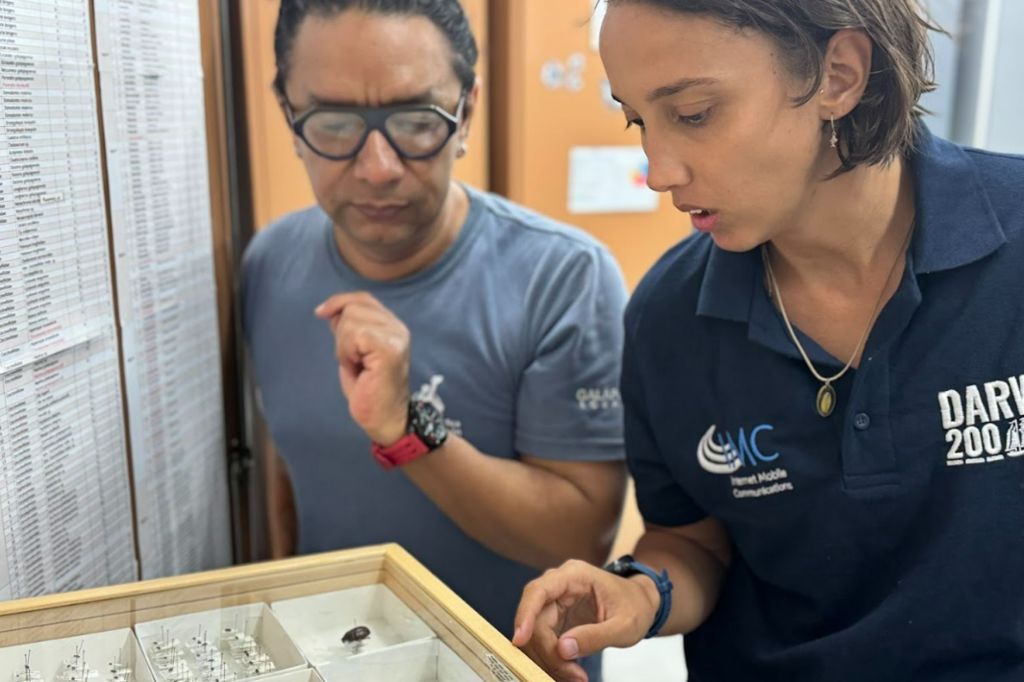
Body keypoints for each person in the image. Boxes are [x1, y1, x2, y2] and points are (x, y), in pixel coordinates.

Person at [513, 1, 1024, 681]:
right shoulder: (668, 317)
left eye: (694, 113)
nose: (657, 168)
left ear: (838, 75)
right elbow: (695, 542)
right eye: (638, 120)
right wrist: (642, 591)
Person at [241, 1, 627, 678]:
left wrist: (403, 431)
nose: (378, 166)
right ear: (289, 117)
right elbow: (285, 464)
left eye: (417, 121)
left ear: (467, 114)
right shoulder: (269, 264)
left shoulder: (564, 277)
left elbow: (580, 533)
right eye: (333, 124)